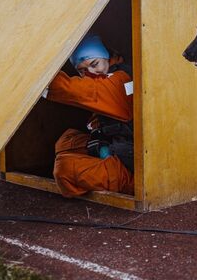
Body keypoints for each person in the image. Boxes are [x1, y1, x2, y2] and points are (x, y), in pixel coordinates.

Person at [46, 35, 134, 197]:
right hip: (119, 145)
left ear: (106, 56)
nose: (92, 72)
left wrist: (34, 78)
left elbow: (75, 90)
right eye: (82, 70)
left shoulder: (120, 80)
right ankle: (103, 161)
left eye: (95, 64)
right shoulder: (113, 73)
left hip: (131, 168)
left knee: (64, 169)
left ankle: (117, 180)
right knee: (67, 141)